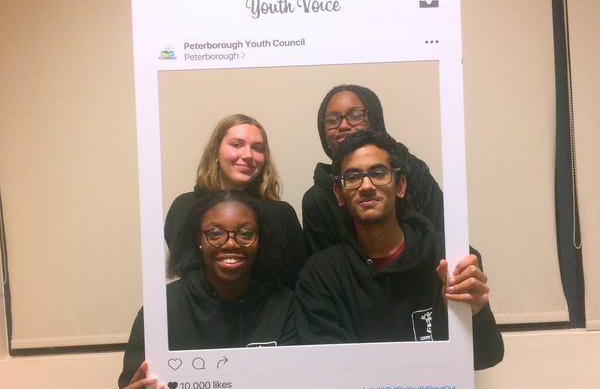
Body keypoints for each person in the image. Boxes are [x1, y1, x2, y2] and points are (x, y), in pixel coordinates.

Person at [295, 130, 504, 370]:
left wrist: (473, 314)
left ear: (401, 185)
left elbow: (487, 357)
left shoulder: (451, 258)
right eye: (352, 177)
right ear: (339, 194)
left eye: (378, 173)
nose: (366, 186)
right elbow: (328, 372)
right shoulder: (321, 275)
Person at [119, 190, 296, 389]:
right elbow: (132, 382)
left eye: (245, 234)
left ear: (260, 240)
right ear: (199, 240)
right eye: (215, 234)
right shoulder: (161, 310)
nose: (230, 243)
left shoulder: (286, 307)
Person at [164, 114, 307, 288]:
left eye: (257, 148)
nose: (248, 155)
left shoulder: (281, 214)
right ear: (216, 152)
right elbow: (185, 273)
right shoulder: (184, 207)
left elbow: (295, 279)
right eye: (236, 145)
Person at [302, 84, 444, 255]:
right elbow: (325, 270)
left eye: (355, 116)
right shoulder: (316, 200)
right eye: (332, 120)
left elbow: (445, 235)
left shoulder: (412, 170)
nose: (343, 125)